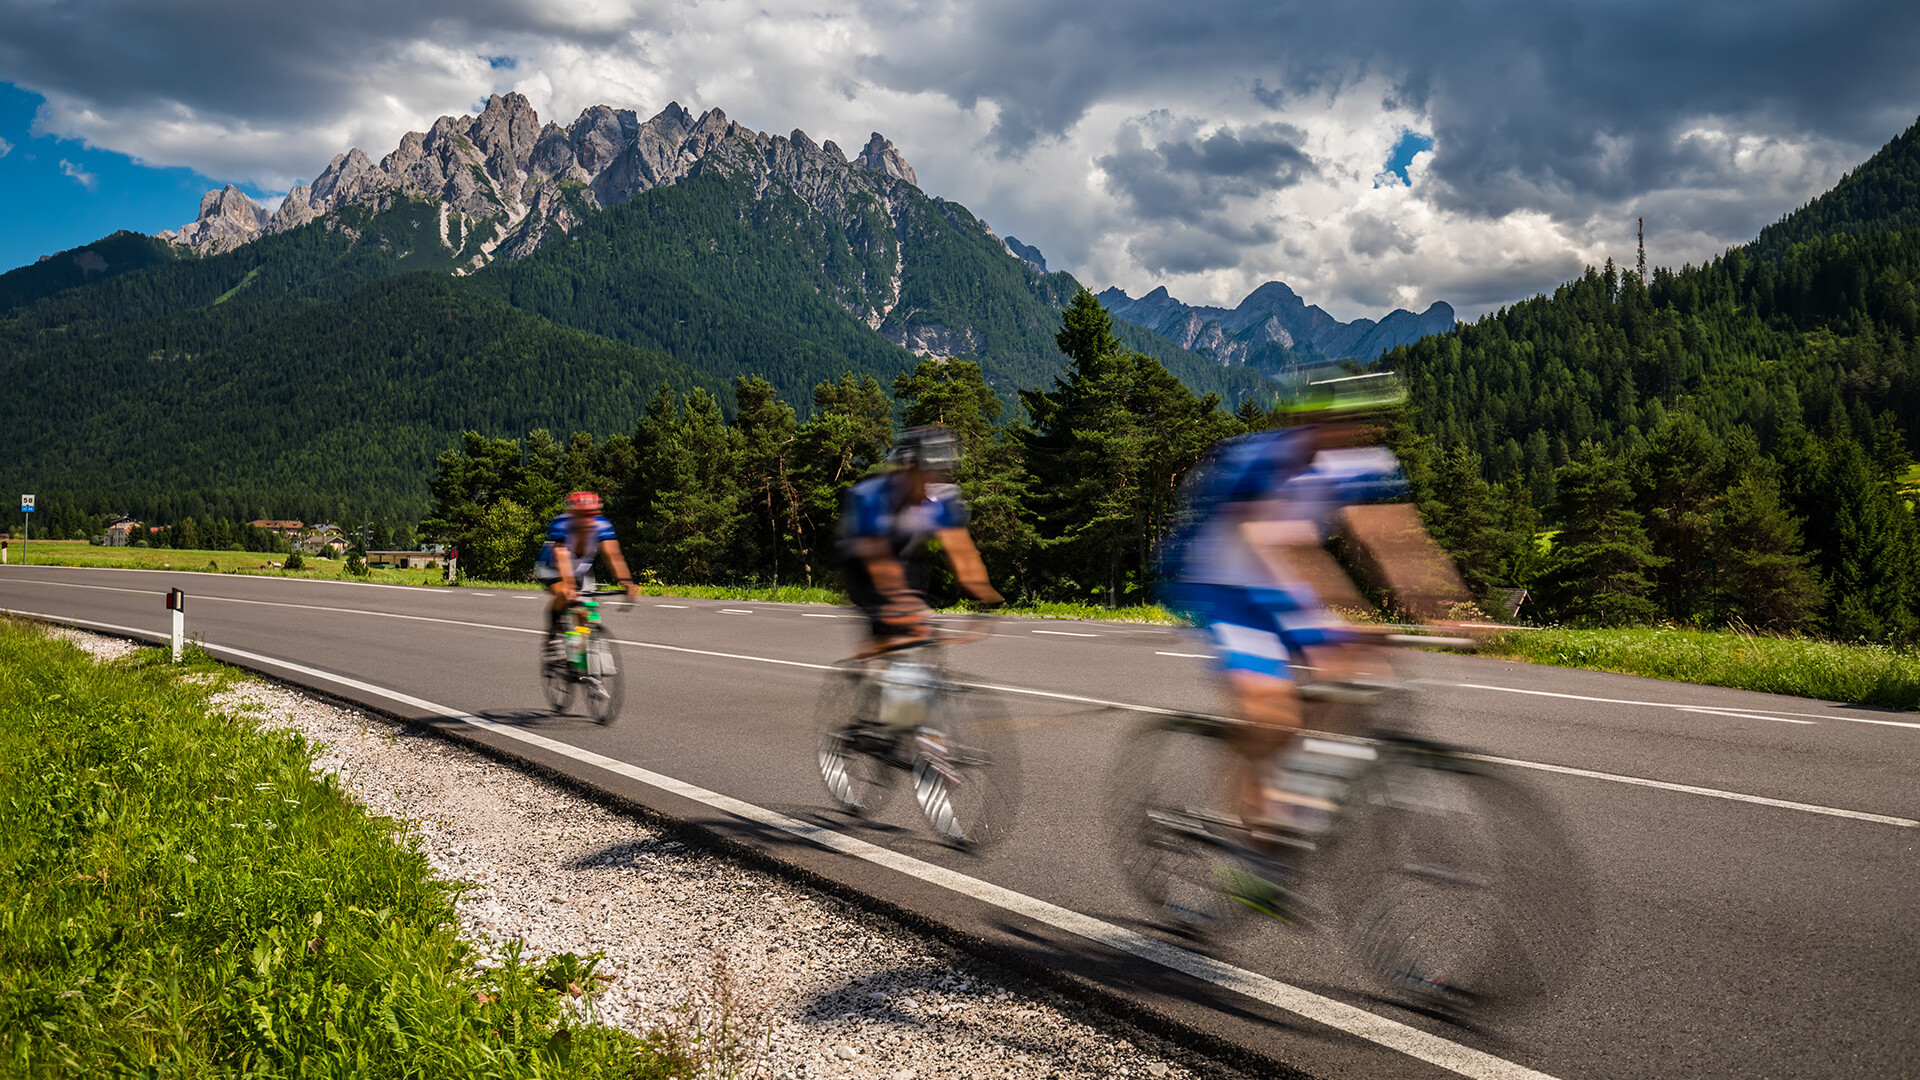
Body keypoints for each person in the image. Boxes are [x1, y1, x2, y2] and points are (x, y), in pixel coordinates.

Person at [1160, 372, 1467, 915]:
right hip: (1217, 583)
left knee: (1356, 683)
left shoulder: (1367, 465)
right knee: (1270, 709)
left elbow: (1397, 541)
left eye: (1353, 425)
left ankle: (1291, 807)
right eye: (1328, 425)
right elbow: (1279, 546)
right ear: (1305, 422)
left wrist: (1455, 610)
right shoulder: (1261, 461)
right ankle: (1251, 851)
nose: (1342, 436)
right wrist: (1346, 620)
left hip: (1280, 585)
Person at [837, 426, 1003, 657]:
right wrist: (902, 604)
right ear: (910, 468)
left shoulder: (942, 497)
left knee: (918, 626)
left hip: (903, 553)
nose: (935, 480)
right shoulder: (874, 497)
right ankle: (872, 663)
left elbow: (961, 550)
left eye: (942, 473)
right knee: (888, 623)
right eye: (930, 473)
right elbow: (877, 558)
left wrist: (982, 590)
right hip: (862, 558)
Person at [536, 491, 640, 658]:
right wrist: (569, 586)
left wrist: (626, 582)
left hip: (579, 571)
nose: (586, 519)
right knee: (563, 593)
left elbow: (613, 556)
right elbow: (562, 558)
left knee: (584, 613)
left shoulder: (602, 526)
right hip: (551, 567)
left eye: (591, 515)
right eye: (581, 515)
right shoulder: (562, 525)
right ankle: (552, 636)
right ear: (572, 514)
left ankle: (579, 659)